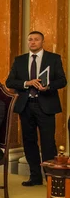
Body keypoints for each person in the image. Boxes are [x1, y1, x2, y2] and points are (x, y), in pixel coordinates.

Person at [6, 31, 67, 186]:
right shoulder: (20, 60)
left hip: (46, 105)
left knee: (48, 142)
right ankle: (35, 177)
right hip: (26, 106)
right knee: (29, 141)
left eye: (36, 40)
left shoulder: (53, 58)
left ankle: (50, 177)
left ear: (42, 42)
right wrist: (27, 83)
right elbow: (10, 82)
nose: (32, 42)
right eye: (30, 40)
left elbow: (62, 80)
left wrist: (48, 86)